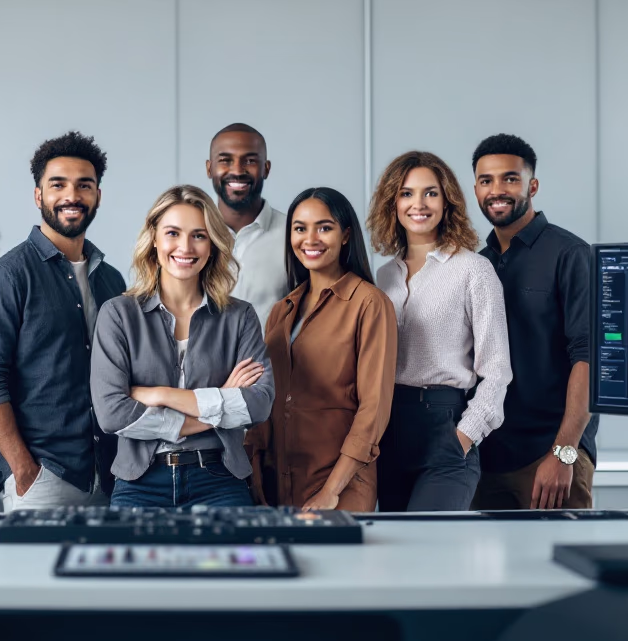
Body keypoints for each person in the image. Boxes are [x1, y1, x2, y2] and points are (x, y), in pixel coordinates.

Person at [0, 132, 126, 511]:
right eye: (58, 184)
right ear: (39, 196)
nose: (72, 195)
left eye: (84, 185)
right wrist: (23, 468)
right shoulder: (5, 276)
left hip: (111, 474)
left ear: (97, 196)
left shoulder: (113, 280)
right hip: (43, 477)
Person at [91, 185, 274, 508]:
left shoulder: (239, 316)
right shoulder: (118, 314)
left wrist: (160, 395)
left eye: (199, 235)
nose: (185, 247)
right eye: (173, 233)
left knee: (235, 560)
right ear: (155, 238)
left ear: (213, 244)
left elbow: (257, 405)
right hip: (140, 484)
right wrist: (218, 405)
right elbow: (112, 415)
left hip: (219, 480)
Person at [366, 151, 512, 512]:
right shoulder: (384, 276)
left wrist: (463, 438)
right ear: (392, 203)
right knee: (394, 552)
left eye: (430, 193)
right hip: (389, 432)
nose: (419, 204)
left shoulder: (474, 270)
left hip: (445, 428)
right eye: (406, 193)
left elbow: (496, 371)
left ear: (447, 201)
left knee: (427, 548)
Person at [247, 187, 397, 511]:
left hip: (340, 486)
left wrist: (331, 490)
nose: (310, 238)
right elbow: (266, 396)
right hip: (277, 484)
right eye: (300, 228)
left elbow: (373, 411)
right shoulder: (281, 310)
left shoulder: (370, 304)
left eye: (324, 228)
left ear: (345, 235)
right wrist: (256, 475)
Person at [471, 134, 598, 510]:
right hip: (486, 460)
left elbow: (589, 358)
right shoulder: (478, 263)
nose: (497, 190)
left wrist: (564, 455)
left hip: (551, 458)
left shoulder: (571, 255)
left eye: (510, 178)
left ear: (533, 185)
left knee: (560, 568)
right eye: (486, 180)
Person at [206, 123, 287, 333]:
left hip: (272, 366)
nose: (237, 170)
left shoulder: (294, 236)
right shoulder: (190, 237)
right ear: (209, 168)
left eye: (250, 161)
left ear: (266, 168)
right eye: (225, 160)